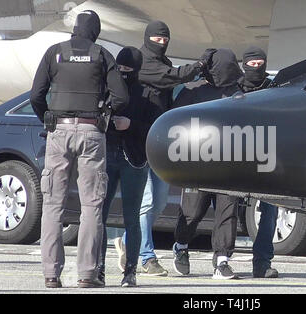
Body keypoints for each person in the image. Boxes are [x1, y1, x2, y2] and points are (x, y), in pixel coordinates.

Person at [30, 10, 128, 288]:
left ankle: (51, 274)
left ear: (74, 29)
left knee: (52, 204)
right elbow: (121, 97)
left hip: (58, 132)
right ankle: (87, 274)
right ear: (95, 31)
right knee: (92, 206)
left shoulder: (54, 52)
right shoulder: (101, 54)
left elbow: (37, 94)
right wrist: (104, 116)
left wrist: (48, 119)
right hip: (91, 131)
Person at [113, 20, 215, 276]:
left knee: (157, 201)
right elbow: (173, 77)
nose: (160, 43)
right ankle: (146, 256)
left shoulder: (165, 63)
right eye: (156, 39)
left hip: (158, 139)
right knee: (147, 200)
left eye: (164, 39)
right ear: (147, 38)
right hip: (137, 140)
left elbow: (172, 92)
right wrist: (199, 66)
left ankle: (127, 240)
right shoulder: (143, 62)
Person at [171, 48, 243, 280]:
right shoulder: (193, 91)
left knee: (227, 212)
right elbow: (175, 120)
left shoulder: (239, 92)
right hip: (198, 162)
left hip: (229, 164)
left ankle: (222, 260)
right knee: (192, 213)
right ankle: (181, 246)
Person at [98, 46, 162, 287]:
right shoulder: (109, 89)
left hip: (134, 160)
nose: (123, 73)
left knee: (132, 217)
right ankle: (100, 267)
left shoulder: (148, 94)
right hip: (108, 155)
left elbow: (156, 128)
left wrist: (131, 125)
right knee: (99, 216)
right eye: (120, 68)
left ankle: (131, 271)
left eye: (128, 69)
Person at [238, 46, 279, 278]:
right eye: (251, 64)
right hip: (235, 153)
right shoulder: (234, 87)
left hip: (266, 155)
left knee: (269, 210)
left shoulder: (274, 87)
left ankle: (262, 263)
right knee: (225, 209)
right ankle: (221, 260)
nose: (256, 68)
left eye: (260, 64)